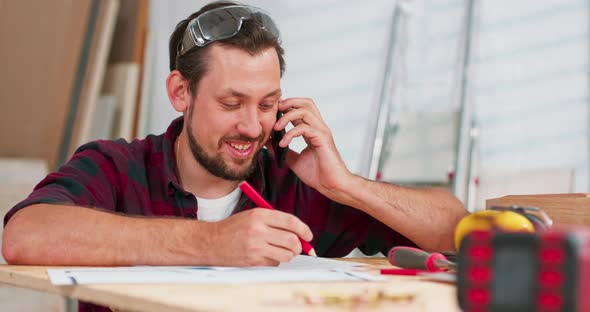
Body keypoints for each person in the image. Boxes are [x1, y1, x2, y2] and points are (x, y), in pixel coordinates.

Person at [3, 1, 467, 268]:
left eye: (267, 104)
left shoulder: (295, 184)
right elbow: (24, 237)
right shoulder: (116, 167)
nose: (251, 126)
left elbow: (456, 232)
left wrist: (344, 185)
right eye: (231, 103)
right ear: (180, 92)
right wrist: (212, 242)